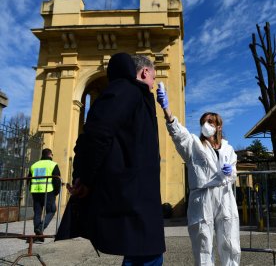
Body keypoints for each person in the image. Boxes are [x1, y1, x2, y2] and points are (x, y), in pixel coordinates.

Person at [68, 53, 165, 265]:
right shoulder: (126, 91)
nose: (154, 82)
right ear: (145, 71)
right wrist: (84, 178)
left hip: (137, 192)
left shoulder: (134, 95)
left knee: (144, 253)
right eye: (154, 77)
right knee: (146, 254)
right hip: (132, 192)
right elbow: (95, 135)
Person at [156, 86, 241, 265]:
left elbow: (233, 173)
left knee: (230, 242)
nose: (205, 125)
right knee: (203, 244)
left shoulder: (228, 149)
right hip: (202, 197)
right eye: (203, 122)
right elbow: (179, 134)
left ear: (219, 126)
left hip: (225, 195)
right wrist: (167, 110)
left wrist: (231, 172)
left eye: (210, 122)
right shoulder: (194, 145)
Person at [29, 148, 61, 243]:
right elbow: (57, 180)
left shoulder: (34, 165)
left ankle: (38, 234)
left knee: (38, 212)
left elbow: (29, 179)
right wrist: (56, 192)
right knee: (51, 210)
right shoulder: (53, 164)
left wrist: (32, 190)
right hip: (48, 191)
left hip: (36, 191)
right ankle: (40, 228)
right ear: (50, 155)